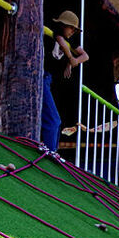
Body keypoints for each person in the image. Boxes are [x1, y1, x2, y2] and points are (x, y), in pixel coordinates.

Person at [41, 11, 88, 153]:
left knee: (56, 121)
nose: (73, 31)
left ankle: (51, 151)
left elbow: (85, 56)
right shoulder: (54, 31)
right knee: (53, 120)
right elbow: (61, 41)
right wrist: (70, 57)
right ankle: (50, 152)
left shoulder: (71, 40)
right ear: (63, 25)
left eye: (75, 29)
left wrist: (72, 62)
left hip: (48, 80)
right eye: (71, 28)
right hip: (41, 77)